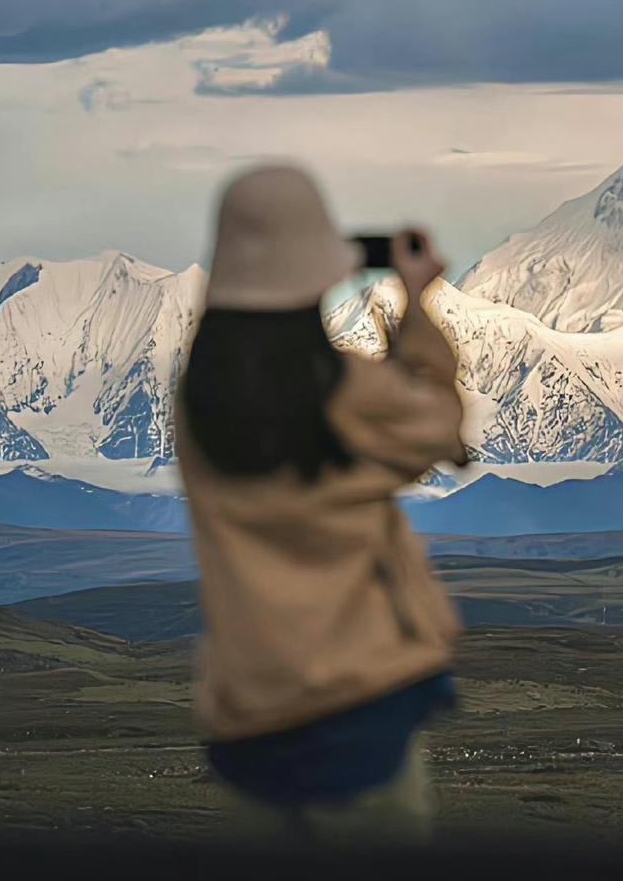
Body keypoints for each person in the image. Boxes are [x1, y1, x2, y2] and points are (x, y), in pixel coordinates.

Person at [174, 163, 467, 845]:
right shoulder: (346, 392)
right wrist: (415, 304)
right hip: (359, 697)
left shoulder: (197, 404)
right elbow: (438, 426)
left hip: (247, 708)